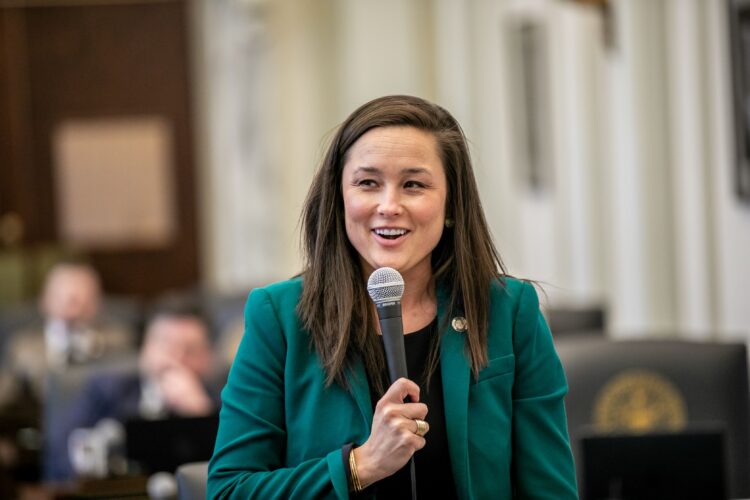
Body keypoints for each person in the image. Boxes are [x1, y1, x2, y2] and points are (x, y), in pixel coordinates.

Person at [208, 95, 578, 498]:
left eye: (413, 185)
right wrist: (360, 465)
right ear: (339, 198)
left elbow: (550, 489)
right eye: (368, 183)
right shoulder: (279, 318)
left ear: (451, 203)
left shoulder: (509, 311)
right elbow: (229, 490)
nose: (389, 206)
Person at [46, 302, 220, 480]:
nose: (175, 358)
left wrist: (201, 414)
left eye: (190, 350)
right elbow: (61, 459)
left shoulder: (224, 402)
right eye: (166, 345)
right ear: (145, 348)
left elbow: (234, 471)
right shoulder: (105, 392)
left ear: (208, 357)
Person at [0, 261, 135, 410]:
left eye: (79, 300)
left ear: (96, 304)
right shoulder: (24, 347)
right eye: (62, 298)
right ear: (45, 301)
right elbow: (5, 395)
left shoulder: (116, 340)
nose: (72, 310)